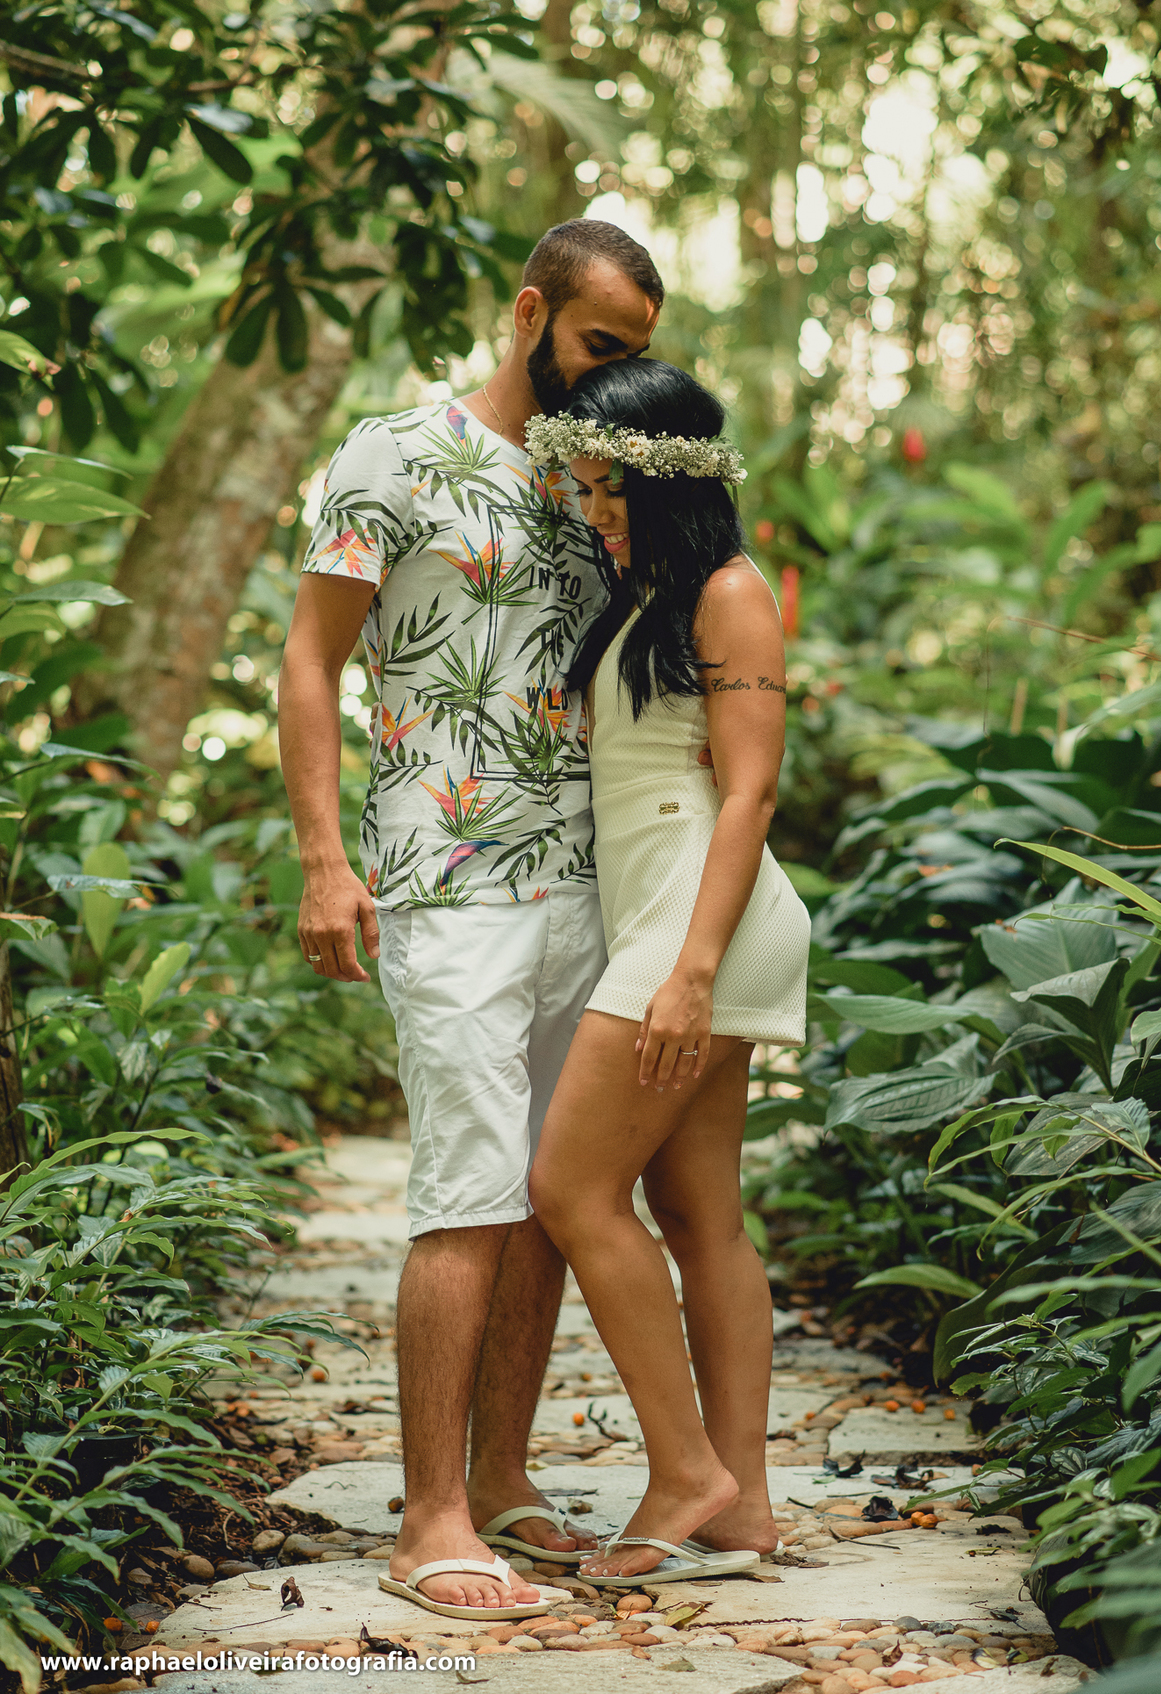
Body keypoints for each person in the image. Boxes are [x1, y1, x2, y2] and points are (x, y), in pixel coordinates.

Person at [277, 220, 664, 1619]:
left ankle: (501, 1479)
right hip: (446, 882)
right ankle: (427, 1516)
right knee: (465, 1197)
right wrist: (327, 860)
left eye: (638, 355)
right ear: (529, 313)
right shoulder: (394, 452)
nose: (617, 373)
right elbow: (311, 662)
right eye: (599, 345)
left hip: (588, 883)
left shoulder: (595, 477)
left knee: (554, 1204)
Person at [526, 358, 811, 1586]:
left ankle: (687, 1466)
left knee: (571, 1189)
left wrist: (690, 972)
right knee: (700, 1215)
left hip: (702, 920)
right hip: (668, 912)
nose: (593, 510)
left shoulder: (732, 592)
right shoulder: (650, 590)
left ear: (666, 477)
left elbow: (748, 791)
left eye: (607, 488)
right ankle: (742, 1505)